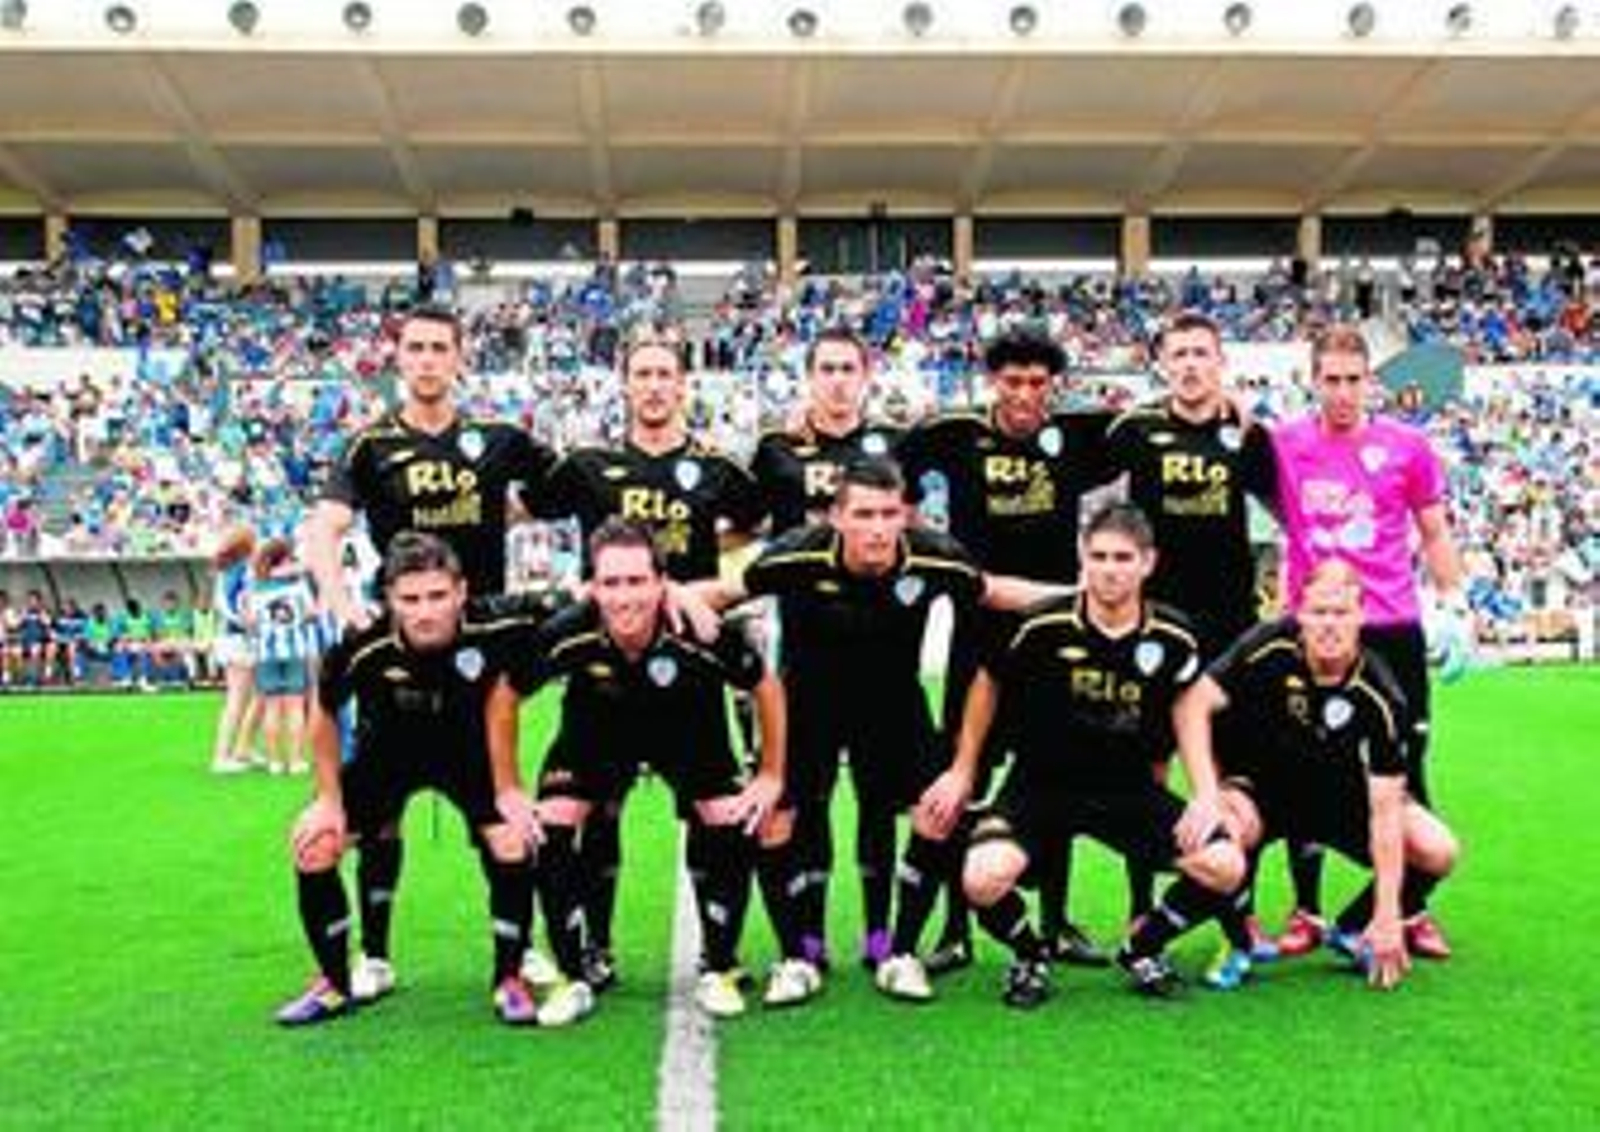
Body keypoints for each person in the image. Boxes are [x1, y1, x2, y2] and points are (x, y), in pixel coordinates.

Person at [694, 456, 1065, 1003]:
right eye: (864, 514)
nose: (877, 527)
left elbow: (996, 590)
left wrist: (1088, 595)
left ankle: (902, 952)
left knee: (937, 814)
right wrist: (668, 597)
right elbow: (725, 593)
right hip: (807, 707)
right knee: (775, 818)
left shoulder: (933, 558)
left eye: (889, 513)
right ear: (837, 518)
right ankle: (796, 957)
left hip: (893, 707)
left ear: (904, 516)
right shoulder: (797, 553)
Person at [304, 304, 557, 1003]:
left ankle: (519, 952)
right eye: (414, 347)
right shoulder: (369, 446)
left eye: (439, 347)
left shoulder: (499, 440)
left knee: (499, 818)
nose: (426, 359)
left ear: (459, 357)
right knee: (378, 813)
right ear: (398, 358)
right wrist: (338, 599)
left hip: (478, 652)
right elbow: (323, 527)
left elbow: (567, 495)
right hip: (400, 644)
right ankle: (375, 958)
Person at [919, 503, 1247, 1008]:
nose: (1110, 569)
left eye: (1122, 557)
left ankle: (1142, 946)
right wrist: (963, 769)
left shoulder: (1174, 634)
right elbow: (987, 683)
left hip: (1128, 792)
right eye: (1099, 556)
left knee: (1225, 864)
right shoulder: (1039, 625)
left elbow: (1187, 706)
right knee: (981, 877)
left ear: (1148, 563)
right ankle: (1030, 955)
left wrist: (1204, 792)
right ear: (1082, 559)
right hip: (1039, 787)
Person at [531, 333, 767, 991]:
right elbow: (525, 505)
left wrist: (701, 588)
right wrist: (585, 590)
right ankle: (595, 948)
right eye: (643, 374)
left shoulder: (716, 467)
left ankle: (718, 953)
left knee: (710, 809)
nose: (656, 385)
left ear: (684, 384)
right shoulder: (588, 465)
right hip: (602, 672)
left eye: (667, 373)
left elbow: (753, 524)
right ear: (625, 385)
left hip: (688, 669)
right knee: (594, 809)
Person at [500, 519, 786, 1023]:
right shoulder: (568, 632)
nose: (623, 596)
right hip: (598, 731)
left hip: (687, 729)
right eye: (610, 583)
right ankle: (574, 974)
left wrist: (769, 775)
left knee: (732, 816)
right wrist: (507, 788)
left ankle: (718, 965)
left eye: (636, 582)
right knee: (549, 826)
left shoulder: (700, 630)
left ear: (661, 583)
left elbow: (765, 686)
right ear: (591, 587)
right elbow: (505, 696)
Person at [898, 328, 1113, 971]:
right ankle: (955, 928)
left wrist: (1236, 411)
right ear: (994, 381)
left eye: (1038, 383)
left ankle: (1054, 922)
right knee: (963, 776)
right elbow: (888, 473)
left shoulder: (1076, 435)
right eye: (1013, 382)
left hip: (1053, 635)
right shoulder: (954, 432)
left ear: (1053, 386)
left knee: (1056, 775)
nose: (1025, 395)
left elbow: (1149, 431)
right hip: (979, 632)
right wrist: (937, 551)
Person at [275, 532, 544, 1026]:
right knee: (315, 844)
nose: (425, 611)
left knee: (512, 840)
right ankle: (335, 983)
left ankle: (510, 976)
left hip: (468, 758)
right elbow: (324, 711)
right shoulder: (363, 645)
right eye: (410, 599)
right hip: (387, 758)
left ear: (462, 591)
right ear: (390, 600)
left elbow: (583, 605)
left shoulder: (502, 622)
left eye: (438, 596)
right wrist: (329, 801)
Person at [1271, 323, 1470, 959]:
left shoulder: (1407, 447)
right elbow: (1285, 536)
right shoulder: (1285, 444)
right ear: (1313, 380)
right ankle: (1306, 908)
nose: (1342, 392)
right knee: (1303, 768)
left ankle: (1409, 907)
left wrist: (1456, 603)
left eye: (1353, 379)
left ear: (1370, 381)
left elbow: (1433, 532)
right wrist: (1280, 614)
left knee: (1409, 768)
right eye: (1330, 379)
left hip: (1391, 627)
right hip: (1317, 626)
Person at [1174, 559, 1461, 991]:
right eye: (1319, 612)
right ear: (1299, 614)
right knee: (1223, 831)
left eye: (1341, 613)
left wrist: (1387, 914)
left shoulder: (1382, 693)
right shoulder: (1267, 645)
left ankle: (1352, 928)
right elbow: (1191, 705)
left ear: (1361, 616)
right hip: (1262, 793)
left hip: (1339, 801)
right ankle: (1236, 938)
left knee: (1438, 849)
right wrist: (1207, 794)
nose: (1329, 625)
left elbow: (1384, 812)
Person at [1095, 311, 1279, 949]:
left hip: (1231, 625)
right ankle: (1141, 901)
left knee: (1232, 770)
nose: (1192, 364)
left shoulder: (1246, 432)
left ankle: (1238, 908)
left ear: (1221, 361)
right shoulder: (1134, 429)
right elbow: (1066, 458)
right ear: (1163, 364)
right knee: (1149, 766)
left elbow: (1287, 508)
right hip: (1158, 627)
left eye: (1203, 352)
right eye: (1180, 354)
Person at [245, 538, 316, 776]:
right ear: (284, 560)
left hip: (266, 652)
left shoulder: (256, 587)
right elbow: (310, 613)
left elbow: (251, 623)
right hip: (295, 649)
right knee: (295, 707)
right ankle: (295, 761)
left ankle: (275, 761)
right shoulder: (298, 585)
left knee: (271, 708)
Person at [209, 525, 260, 773]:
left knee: (246, 697)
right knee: (239, 698)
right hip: (240, 638)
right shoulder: (246, 569)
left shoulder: (224, 571)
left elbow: (221, 605)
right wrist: (251, 625)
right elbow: (245, 604)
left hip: (229, 637)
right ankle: (223, 755)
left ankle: (242, 750)